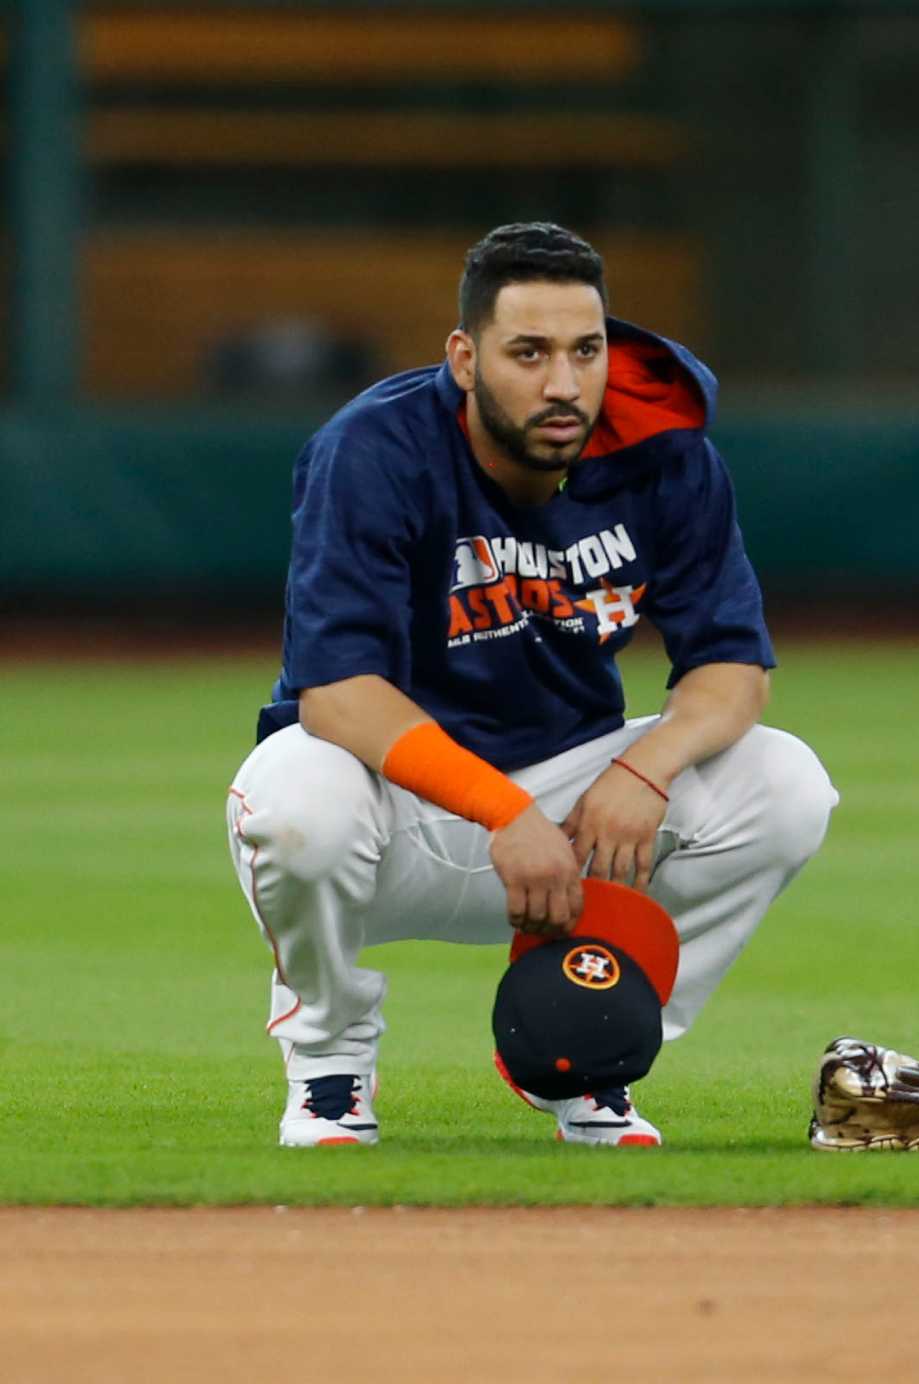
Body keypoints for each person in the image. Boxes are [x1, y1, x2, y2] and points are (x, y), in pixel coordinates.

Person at [225, 222, 838, 1148]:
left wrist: (648, 769)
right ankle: (330, 1066)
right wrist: (501, 811)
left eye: (585, 350)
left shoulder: (663, 453)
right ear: (465, 359)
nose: (563, 383)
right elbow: (336, 695)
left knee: (785, 784)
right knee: (296, 799)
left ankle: (589, 1039)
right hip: (394, 809)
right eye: (530, 353)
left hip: (571, 806)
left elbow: (733, 667)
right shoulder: (375, 450)